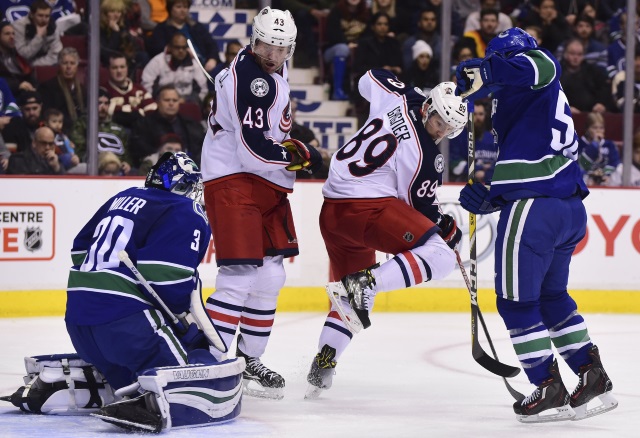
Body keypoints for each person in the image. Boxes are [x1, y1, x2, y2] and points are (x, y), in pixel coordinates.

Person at [455, 27, 617, 422]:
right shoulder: (524, 98)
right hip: (564, 209)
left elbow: (530, 65)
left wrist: (488, 67)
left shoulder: (538, 67)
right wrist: (492, 195)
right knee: (551, 299)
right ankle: (590, 372)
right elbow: (532, 164)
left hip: (536, 211)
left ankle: (547, 386)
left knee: (515, 303)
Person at [305, 74, 464, 398]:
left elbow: (367, 79)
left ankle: (323, 363)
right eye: (438, 121)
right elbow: (417, 209)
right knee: (442, 255)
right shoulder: (425, 158)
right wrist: (446, 226)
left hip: (333, 214)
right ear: (430, 107)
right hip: (363, 211)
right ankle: (368, 283)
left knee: (353, 298)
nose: (441, 130)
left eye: (447, 127)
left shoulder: (400, 95)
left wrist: (409, 91)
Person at [200, 6, 322, 400]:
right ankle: (212, 364)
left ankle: (249, 362)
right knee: (239, 277)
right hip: (235, 179)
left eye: (281, 48)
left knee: (271, 277)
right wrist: (297, 154)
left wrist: (292, 147)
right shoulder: (253, 79)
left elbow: (268, 128)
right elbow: (253, 149)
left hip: (266, 184)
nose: (273, 53)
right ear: (254, 39)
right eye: (267, 44)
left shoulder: (272, 70)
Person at [129, 84, 204, 167]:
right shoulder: (143, 125)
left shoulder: (192, 125)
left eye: (175, 100)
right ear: (157, 102)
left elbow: (200, 150)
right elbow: (140, 152)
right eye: (167, 100)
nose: (171, 103)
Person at [141, 32, 208, 104]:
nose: (181, 51)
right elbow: (147, 85)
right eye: (177, 47)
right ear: (169, 47)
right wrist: (160, 100)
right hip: (161, 103)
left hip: (185, 103)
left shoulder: (194, 65)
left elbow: (202, 90)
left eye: (183, 47)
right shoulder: (157, 62)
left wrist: (187, 100)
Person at [37, 47, 86, 134]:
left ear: (77, 66)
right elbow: (49, 117)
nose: (68, 67)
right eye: (65, 63)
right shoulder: (48, 87)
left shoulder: (83, 90)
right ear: (59, 66)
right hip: (60, 133)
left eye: (72, 63)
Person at [12, 0, 62, 66]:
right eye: (40, 15)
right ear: (31, 15)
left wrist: (34, 64)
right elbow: (23, 54)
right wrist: (38, 37)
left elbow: (56, 54)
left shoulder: (52, 26)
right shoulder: (19, 26)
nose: (44, 19)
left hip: (43, 64)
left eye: (47, 16)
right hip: (22, 66)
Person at [577, 112, 621, 186]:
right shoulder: (578, 144)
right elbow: (581, 165)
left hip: (605, 178)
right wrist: (594, 145)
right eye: (594, 128)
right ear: (587, 129)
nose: (598, 131)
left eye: (601, 128)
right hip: (584, 180)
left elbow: (615, 163)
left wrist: (604, 173)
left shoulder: (609, 145)